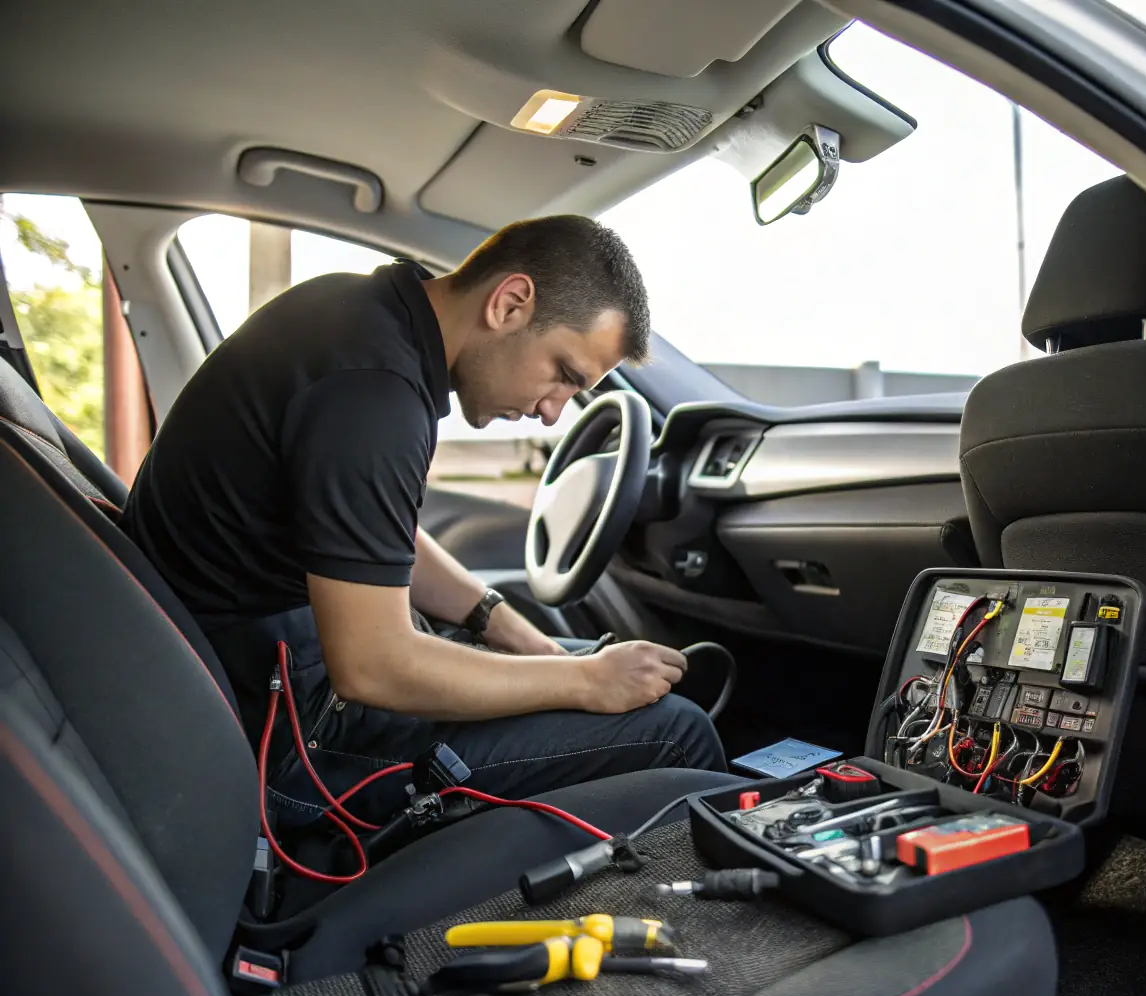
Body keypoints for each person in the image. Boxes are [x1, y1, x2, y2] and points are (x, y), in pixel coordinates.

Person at [120, 214, 726, 826]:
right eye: (564, 375)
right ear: (510, 303)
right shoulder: (374, 393)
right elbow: (374, 665)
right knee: (677, 733)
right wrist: (588, 683)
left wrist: (519, 637)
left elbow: (370, 532)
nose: (552, 413)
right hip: (293, 742)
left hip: (279, 679)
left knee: (586, 665)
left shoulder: (358, 320)